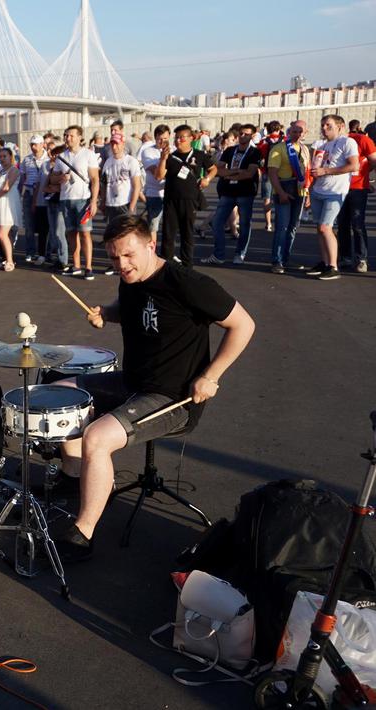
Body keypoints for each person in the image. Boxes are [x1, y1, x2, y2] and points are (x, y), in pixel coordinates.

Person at [53, 215, 256, 561]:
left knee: (96, 438)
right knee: (61, 394)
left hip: (173, 397)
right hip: (131, 382)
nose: (122, 264)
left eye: (129, 255)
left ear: (151, 244)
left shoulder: (187, 283)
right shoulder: (130, 280)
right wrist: (107, 314)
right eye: (114, 257)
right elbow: (131, 310)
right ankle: (75, 477)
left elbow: (244, 325)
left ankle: (82, 534)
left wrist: (212, 376)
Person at [306, 115, 360, 281]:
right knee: (319, 228)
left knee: (325, 227)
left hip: (335, 192)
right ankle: (324, 262)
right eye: (323, 125)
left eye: (328, 125)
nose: (324, 128)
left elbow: (354, 165)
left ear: (340, 126)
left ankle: (333, 266)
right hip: (319, 190)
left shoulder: (347, 142)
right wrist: (310, 186)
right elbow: (318, 168)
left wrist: (326, 171)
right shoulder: (322, 145)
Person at [157, 124, 216, 267]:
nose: (178, 140)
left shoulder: (199, 154)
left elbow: (213, 169)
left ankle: (187, 266)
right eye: (176, 138)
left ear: (191, 138)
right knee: (168, 234)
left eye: (182, 138)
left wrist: (207, 179)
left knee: (187, 234)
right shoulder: (170, 156)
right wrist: (163, 159)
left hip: (189, 199)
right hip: (171, 199)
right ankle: (166, 264)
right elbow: (159, 176)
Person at [204, 124, 262, 266]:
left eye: (246, 134)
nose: (242, 136)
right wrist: (236, 172)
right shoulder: (230, 150)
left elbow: (249, 173)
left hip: (246, 192)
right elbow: (218, 170)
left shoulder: (255, 152)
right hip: (228, 191)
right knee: (217, 222)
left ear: (252, 136)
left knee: (244, 224)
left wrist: (229, 173)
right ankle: (218, 255)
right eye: (241, 133)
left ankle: (240, 253)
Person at [53, 126, 101, 280]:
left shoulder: (88, 154)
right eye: (66, 135)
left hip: (83, 199)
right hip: (66, 199)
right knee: (71, 234)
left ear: (80, 138)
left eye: (71, 136)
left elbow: (95, 179)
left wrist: (93, 201)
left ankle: (88, 267)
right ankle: (76, 266)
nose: (67, 138)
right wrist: (61, 178)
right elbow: (53, 178)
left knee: (85, 233)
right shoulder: (62, 156)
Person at [267, 120, 312, 274]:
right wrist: (280, 192)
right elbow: (272, 173)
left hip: (300, 190)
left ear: (305, 133)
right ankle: (277, 261)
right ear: (289, 132)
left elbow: (306, 173)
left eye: (300, 131)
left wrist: (307, 194)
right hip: (284, 188)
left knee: (293, 227)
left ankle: (285, 258)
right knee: (282, 227)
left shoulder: (305, 149)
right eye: (294, 131)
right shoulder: (279, 148)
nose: (297, 134)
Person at [336, 119, 376, 272]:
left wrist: (364, 175)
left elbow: (374, 160)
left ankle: (361, 259)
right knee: (342, 225)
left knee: (358, 224)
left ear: (342, 127)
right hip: (338, 188)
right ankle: (345, 258)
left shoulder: (362, 140)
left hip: (358, 188)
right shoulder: (332, 143)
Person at [19, 137, 49, 263]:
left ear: (42, 144)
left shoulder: (48, 158)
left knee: (45, 226)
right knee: (29, 225)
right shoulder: (26, 159)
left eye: (35, 144)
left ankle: (45, 253)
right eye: (31, 144)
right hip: (29, 193)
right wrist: (20, 194)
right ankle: (30, 252)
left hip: (44, 194)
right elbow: (22, 178)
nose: (33, 147)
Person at [138, 125, 170, 241]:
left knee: (170, 226)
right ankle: (152, 249)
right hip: (154, 193)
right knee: (152, 227)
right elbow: (157, 174)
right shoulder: (147, 151)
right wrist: (163, 158)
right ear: (155, 138)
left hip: (171, 193)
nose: (162, 142)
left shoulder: (174, 150)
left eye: (165, 139)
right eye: (159, 139)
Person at [101, 139, 143, 224]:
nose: (114, 147)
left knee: (127, 230)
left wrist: (132, 206)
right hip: (111, 204)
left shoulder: (131, 161)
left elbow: (137, 186)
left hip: (126, 203)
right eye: (112, 144)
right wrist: (103, 201)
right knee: (113, 230)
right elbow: (104, 184)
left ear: (123, 144)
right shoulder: (108, 162)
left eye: (117, 144)